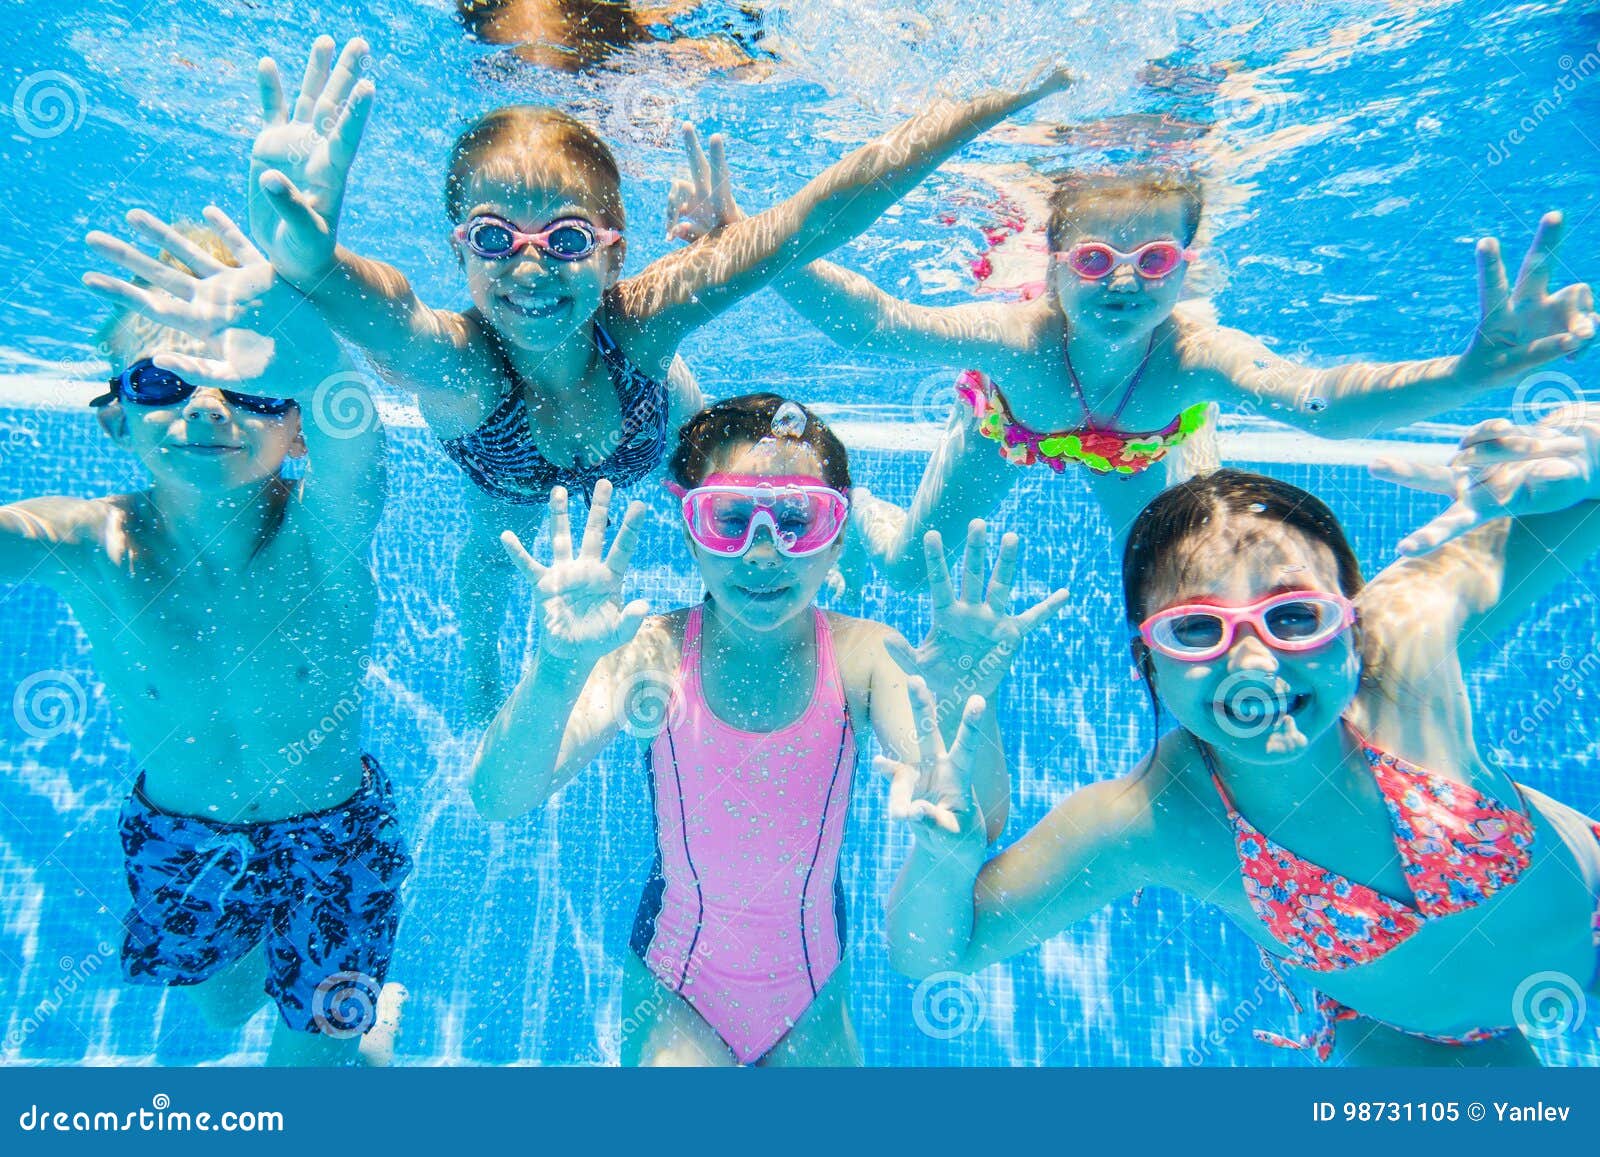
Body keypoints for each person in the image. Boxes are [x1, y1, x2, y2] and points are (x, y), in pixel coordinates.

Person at [245, 35, 1069, 721]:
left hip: (657, 426)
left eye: (565, 239)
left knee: (731, 479)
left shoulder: (640, 321)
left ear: (614, 252)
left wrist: (978, 109)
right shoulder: (463, 366)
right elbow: (381, 312)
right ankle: (480, 669)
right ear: (459, 250)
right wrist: (310, 253)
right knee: (489, 560)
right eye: (495, 238)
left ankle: (823, 534)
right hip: (511, 476)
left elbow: (810, 220)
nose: (530, 267)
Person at [883, 408, 1600, 1065]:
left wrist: (1587, 449)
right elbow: (938, 954)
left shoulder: (1410, 637)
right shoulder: (1152, 816)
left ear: (1351, 618)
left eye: (1293, 617)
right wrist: (943, 859)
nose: (1255, 663)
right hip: (1419, 1041)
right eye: (1196, 630)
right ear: (1151, 664)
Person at [667, 140, 1599, 586]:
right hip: (1010, 430)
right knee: (913, 570)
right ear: (1053, 265)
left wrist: (1468, 374)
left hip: (1149, 448)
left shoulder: (1191, 351)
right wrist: (747, 242)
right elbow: (876, 324)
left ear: (1186, 267)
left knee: (1186, 579)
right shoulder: (1022, 343)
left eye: (1154, 260)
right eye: (1094, 260)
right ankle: (863, 513)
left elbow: (1315, 401)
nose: (1123, 283)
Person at [469, 394, 1068, 1064]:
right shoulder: (650, 654)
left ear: (836, 536)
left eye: (796, 520)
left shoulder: (867, 657)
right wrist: (556, 670)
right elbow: (498, 796)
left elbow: (974, 813)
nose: (763, 553)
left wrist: (964, 703)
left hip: (812, 998)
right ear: (691, 527)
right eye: (728, 518)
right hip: (674, 992)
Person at [4, 207, 413, 1066]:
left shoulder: (326, 531)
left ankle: (357, 1036)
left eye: (255, 387)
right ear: (116, 414)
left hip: (330, 838)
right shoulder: (92, 544)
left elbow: (359, 446)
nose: (208, 407)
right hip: (183, 842)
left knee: (312, 1070)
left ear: (297, 425)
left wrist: (305, 341)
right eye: (162, 384)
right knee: (222, 1008)